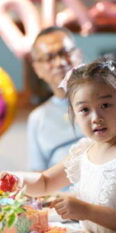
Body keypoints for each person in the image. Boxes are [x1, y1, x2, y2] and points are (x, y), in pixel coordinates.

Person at [0, 57, 116, 233]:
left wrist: (87, 211)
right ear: (74, 115)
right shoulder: (84, 151)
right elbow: (45, 182)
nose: (96, 117)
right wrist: (17, 179)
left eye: (105, 105)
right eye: (84, 110)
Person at [28, 26, 84, 171]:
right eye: (49, 58)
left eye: (65, 53)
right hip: (60, 193)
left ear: (78, 54)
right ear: (37, 69)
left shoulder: (110, 101)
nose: (60, 63)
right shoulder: (37, 118)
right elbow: (38, 174)